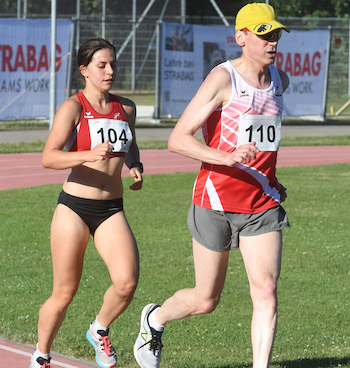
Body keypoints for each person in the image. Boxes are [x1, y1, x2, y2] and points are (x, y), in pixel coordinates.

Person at [134, 3, 290, 368]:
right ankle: (154, 319)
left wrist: (271, 177)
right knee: (206, 300)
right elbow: (178, 139)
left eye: (276, 34)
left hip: (261, 204)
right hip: (215, 200)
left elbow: (265, 140)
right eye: (264, 34)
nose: (272, 42)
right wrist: (227, 157)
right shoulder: (223, 79)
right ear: (241, 38)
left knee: (266, 290)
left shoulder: (280, 80)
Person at [29, 38, 143, 368]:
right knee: (64, 292)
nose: (110, 71)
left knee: (126, 283)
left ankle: (99, 328)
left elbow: (130, 145)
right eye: (102, 65)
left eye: (113, 64)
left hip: (111, 209)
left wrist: (135, 166)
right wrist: (87, 154)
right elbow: (48, 158)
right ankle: (41, 355)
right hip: (74, 208)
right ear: (84, 71)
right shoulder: (73, 107)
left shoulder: (128, 108)